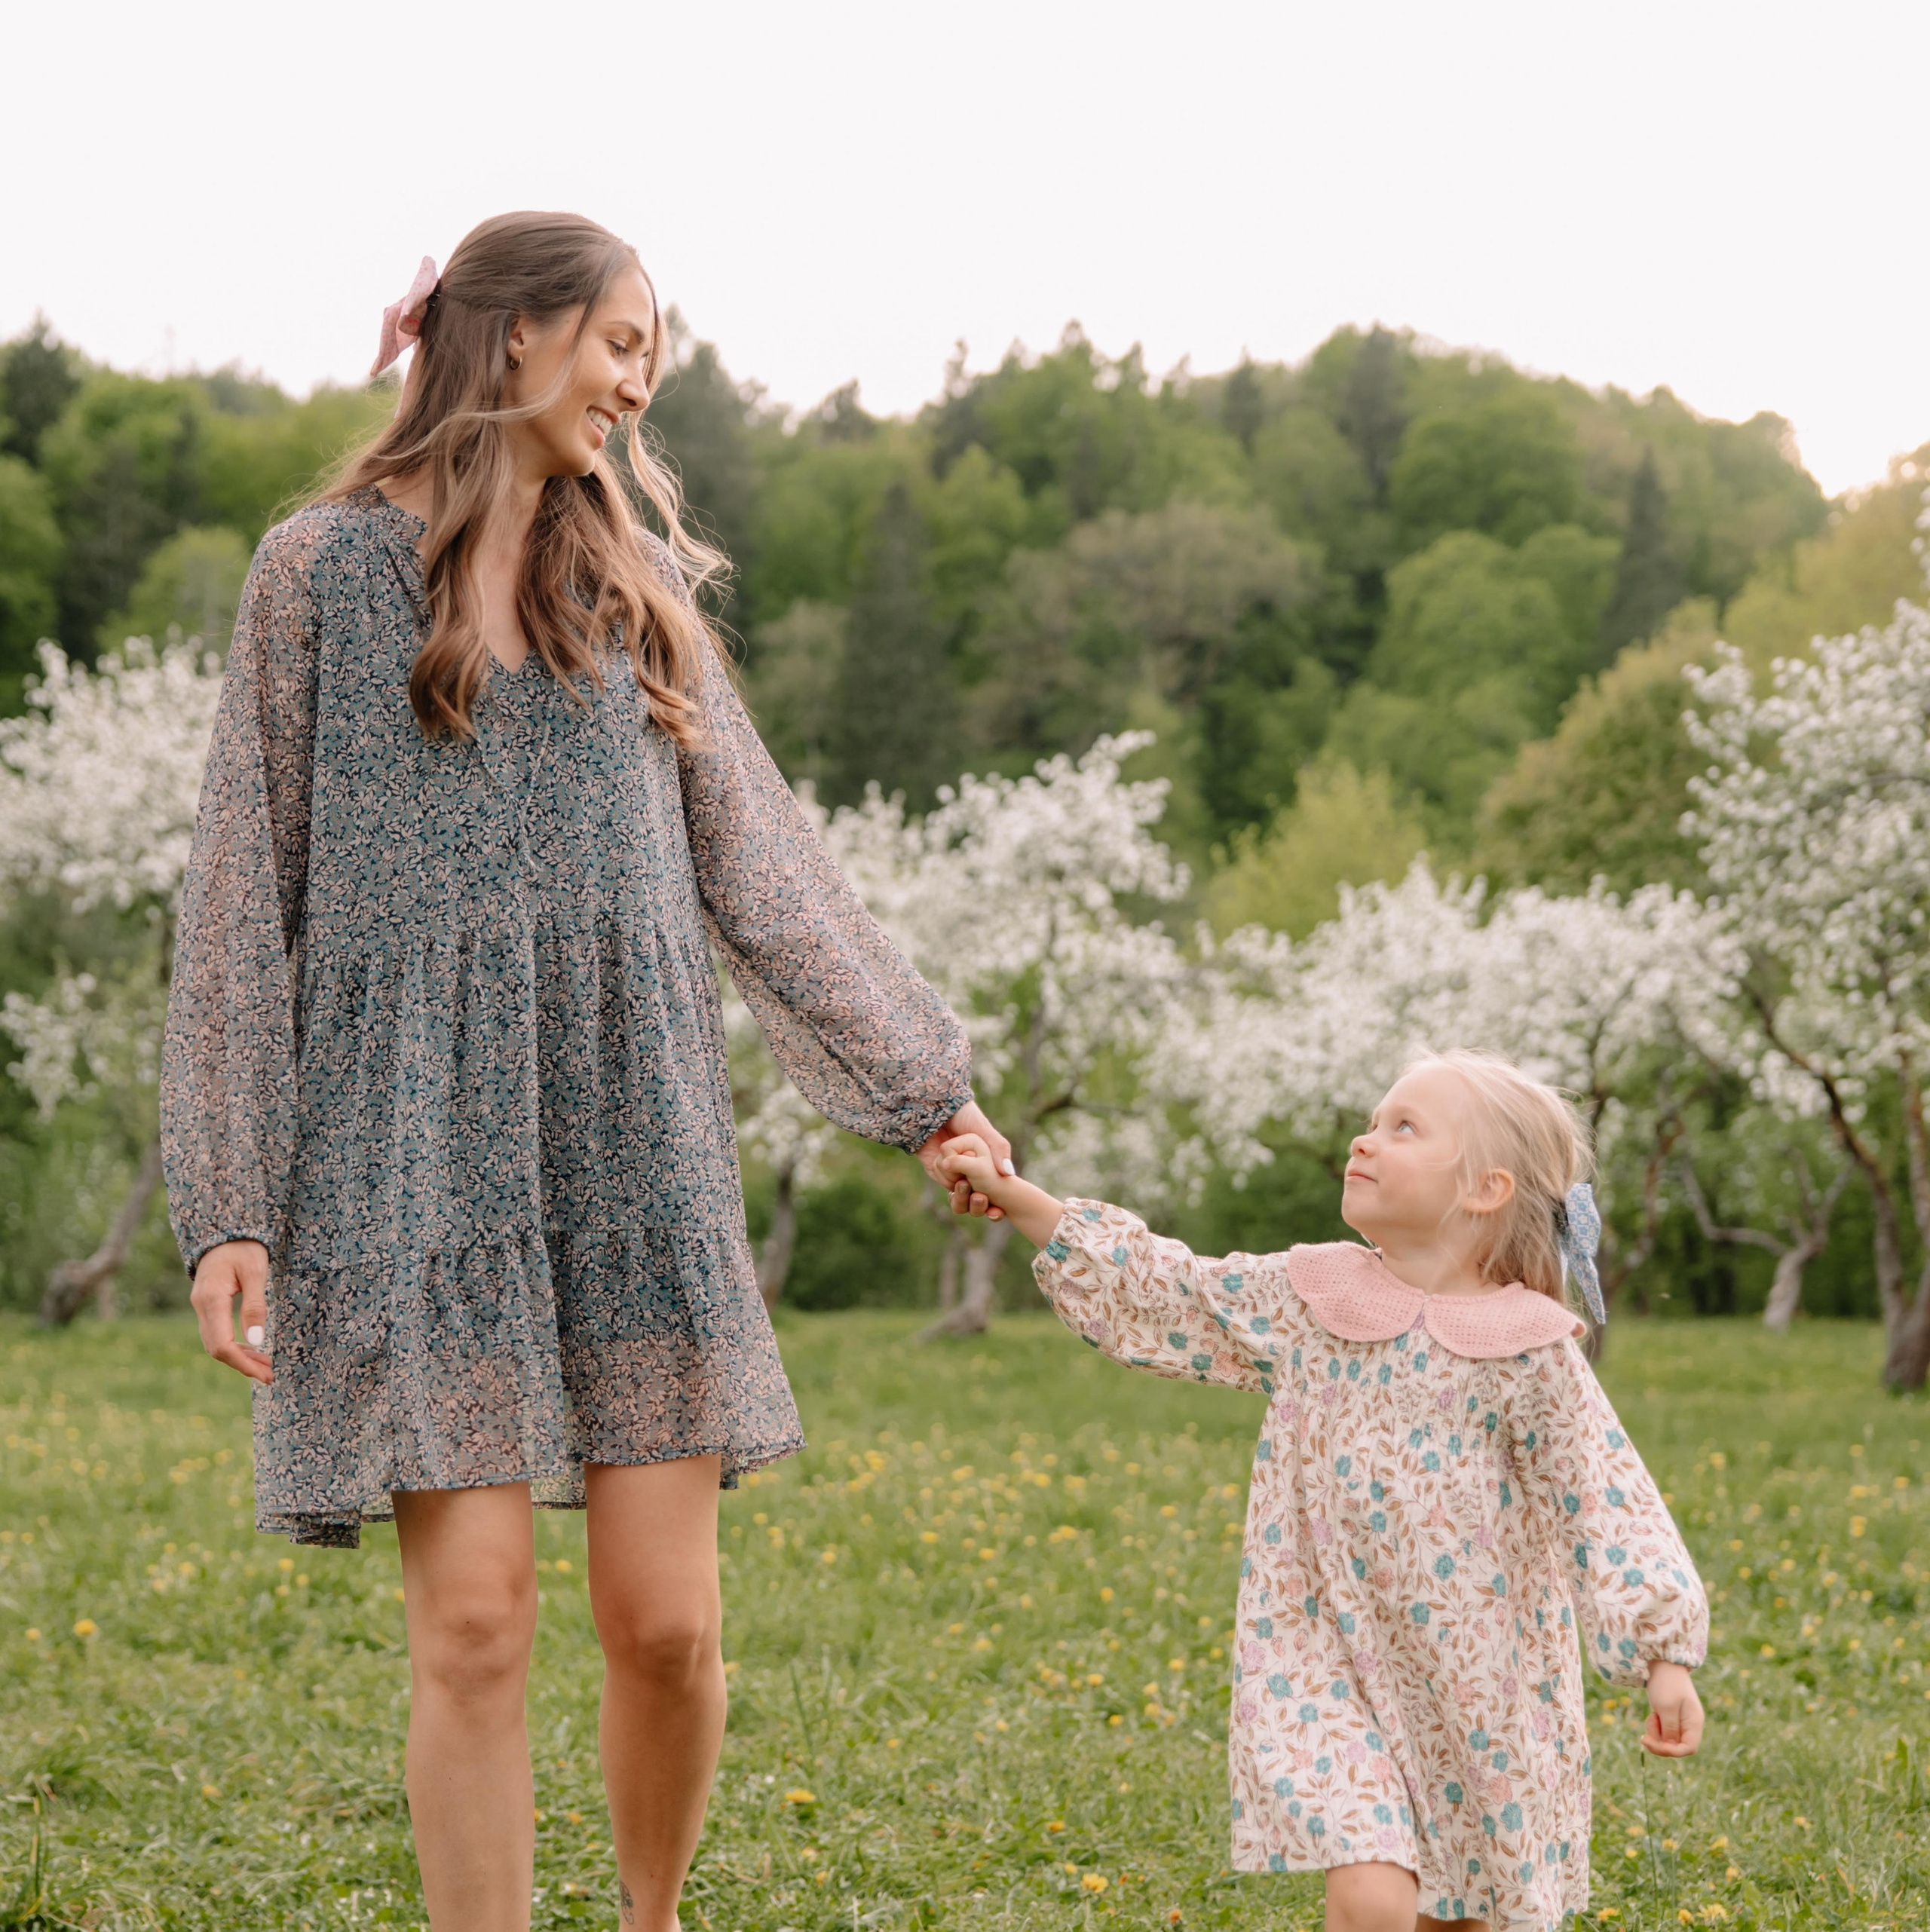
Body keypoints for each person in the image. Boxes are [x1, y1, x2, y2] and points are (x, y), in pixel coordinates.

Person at [159, 210, 1009, 1932]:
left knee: (665, 1624)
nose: (636, 382)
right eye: (621, 341)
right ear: (512, 336)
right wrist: (228, 1197)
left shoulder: (638, 595)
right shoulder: (313, 575)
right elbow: (244, 892)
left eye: (649, 355)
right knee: (474, 1622)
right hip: (407, 1154)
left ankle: (649, 1917)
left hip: (632, 1140)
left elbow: (763, 867)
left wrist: (920, 1085)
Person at [936, 1049, 1707, 1932]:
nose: (1364, 1140)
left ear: (1485, 1188)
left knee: (1470, 1912)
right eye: (1372, 1122)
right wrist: (1021, 1199)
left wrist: (1663, 1652)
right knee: (1373, 1896)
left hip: (1482, 1692)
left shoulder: (1527, 1348)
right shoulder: (1310, 1297)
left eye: (1403, 1127)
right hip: (1322, 1657)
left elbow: (1602, 1496)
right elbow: (1172, 1290)